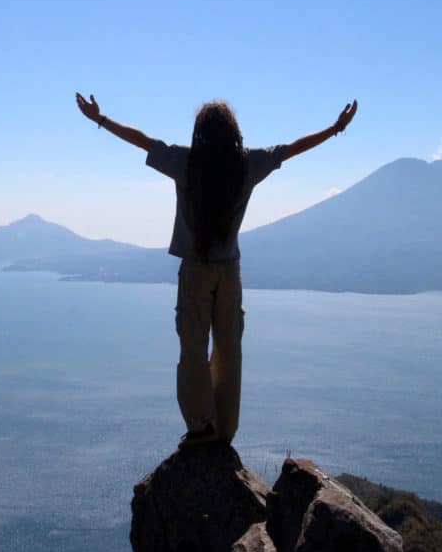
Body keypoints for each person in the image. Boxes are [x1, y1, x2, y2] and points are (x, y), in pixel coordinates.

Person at [76, 92, 357, 446]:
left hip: (196, 270)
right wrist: (335, 128)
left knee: (193, 347)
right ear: (233, 131)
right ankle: (225, 429)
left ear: (200, 132)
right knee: (228, 348)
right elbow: (292, 149)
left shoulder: (185, 162)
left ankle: (201, 425)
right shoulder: (248, 164)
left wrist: (100, 120)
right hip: (229, 271)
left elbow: (143, 141)